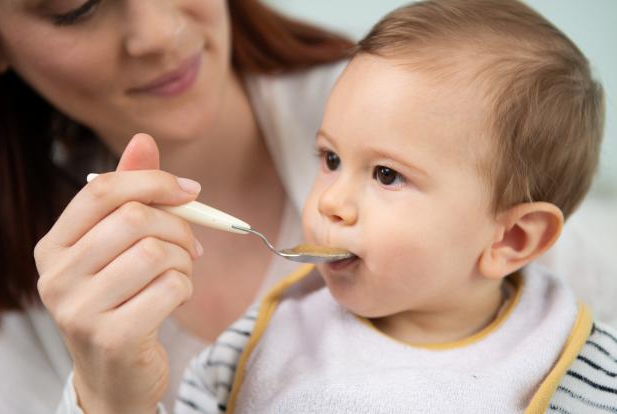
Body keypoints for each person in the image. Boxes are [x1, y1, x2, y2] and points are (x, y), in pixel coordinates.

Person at [167, 1, 616, 413]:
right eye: (331, 160)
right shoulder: (272, 334)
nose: (330, 201)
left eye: (387, 175)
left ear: (511, 239)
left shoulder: (573, 365)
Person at [0, 1, 353, 413]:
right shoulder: (14, 322)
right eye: (77, 8)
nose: (161, 34)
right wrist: (109, 400)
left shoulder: (411, 114)